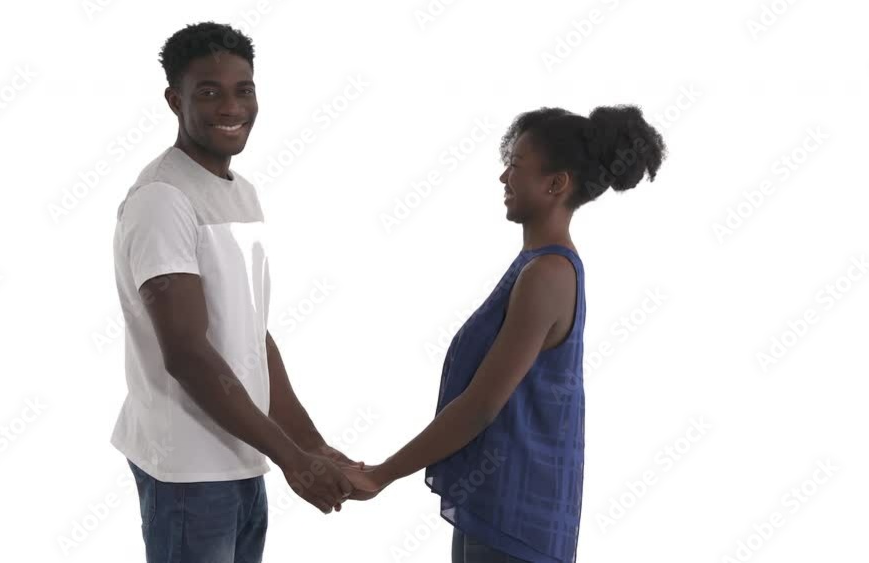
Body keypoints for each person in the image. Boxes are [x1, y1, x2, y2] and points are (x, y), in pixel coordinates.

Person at [344, 105, 667, 563]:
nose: (503, 177)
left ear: (556, 184)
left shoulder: (548, 274)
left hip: (518, 522)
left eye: (515, 165)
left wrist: (382, 474)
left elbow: (480, 407)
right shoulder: (535, 267)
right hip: (497, 509)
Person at [109, 22, 359, 563]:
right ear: (175, 100)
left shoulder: (241, 193)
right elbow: (186, 353)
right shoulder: (162, 199)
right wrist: (292, 458)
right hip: (189, 471)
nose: (231, 106)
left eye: (243, 90)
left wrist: (310, 445)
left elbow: (251, 335)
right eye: (208, 92)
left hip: (243, 456)